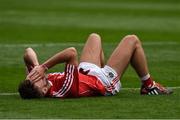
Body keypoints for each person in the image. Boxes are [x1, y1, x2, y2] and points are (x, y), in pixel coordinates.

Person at [18, 33, 173, 99]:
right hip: (104, 82)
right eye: (37, 80)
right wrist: (43, 67)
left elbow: (28, 52)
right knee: (132, 40)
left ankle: (109, 69)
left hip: (87, 73)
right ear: (44, 90)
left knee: (94, 37)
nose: (38, 76)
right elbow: (71, 53)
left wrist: (35, 66)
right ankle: (149, 86)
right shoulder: (65, 89)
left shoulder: (37, 82)